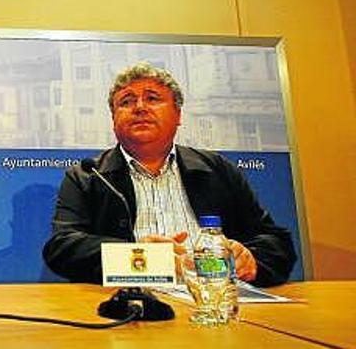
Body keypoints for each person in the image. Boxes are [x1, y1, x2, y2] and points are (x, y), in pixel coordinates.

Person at [42, 62, 296, 287]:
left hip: (214, 303)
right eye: (126, 102)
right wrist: (138, 256)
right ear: (113, 119)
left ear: (178, 115)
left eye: (152, 98)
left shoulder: (216, 169)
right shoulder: (89, 176)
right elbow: (62, 247)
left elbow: (277, 243)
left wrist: (251, 259)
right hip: (131, 306)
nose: (139, 107)